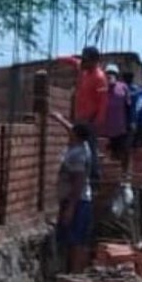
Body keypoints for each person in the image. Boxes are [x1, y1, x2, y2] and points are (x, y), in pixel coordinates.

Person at [55, 46, 108, 180]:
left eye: (86, 60)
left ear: (94, 61)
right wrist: (58, 59)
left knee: (90, 147)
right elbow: (73, 61)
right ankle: (75, 173)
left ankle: (93, 175)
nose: (83, 62)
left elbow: (103, 102)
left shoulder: (99, 77)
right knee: (76, 145)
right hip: (80, 116)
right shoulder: (83, 69)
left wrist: (97, 122)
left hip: (90, 119)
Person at [51, 112, 93, 273]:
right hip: (74, 200)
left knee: (76, 241)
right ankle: (70, 274)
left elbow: (79, 182)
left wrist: (71, 208)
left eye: (72, 132)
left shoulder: (78, 155)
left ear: (76, 135)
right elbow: (71, 129)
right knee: (70, 239)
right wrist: (59, 118)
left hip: (77, 201)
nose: (69, 133)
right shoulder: (82, 144)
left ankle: (74, 275)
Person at [102, 64, 133, 175]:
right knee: (107, 156)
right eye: (108, 73)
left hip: (121, 129)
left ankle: (123, 176)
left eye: (113, 73)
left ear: (116, 75)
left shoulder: (123, 87)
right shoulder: (101, 89)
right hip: (105, 131)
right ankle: (110, 176)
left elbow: (128, 107)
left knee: (122, 154)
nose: (110, 75)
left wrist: (129, 124)